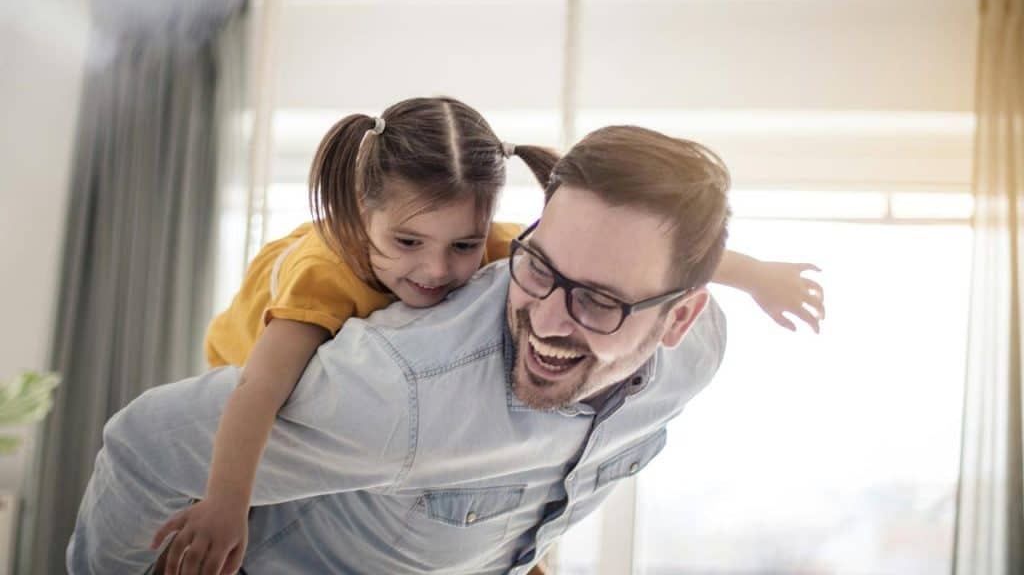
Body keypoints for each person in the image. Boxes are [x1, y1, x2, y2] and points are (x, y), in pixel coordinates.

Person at [67, 123, 816, 574]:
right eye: (539, 268)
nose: (548, 319)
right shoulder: (400, 388)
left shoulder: (697, 355)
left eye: (598, 300)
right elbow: (148, 446)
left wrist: (761, 276)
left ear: (679, 319)